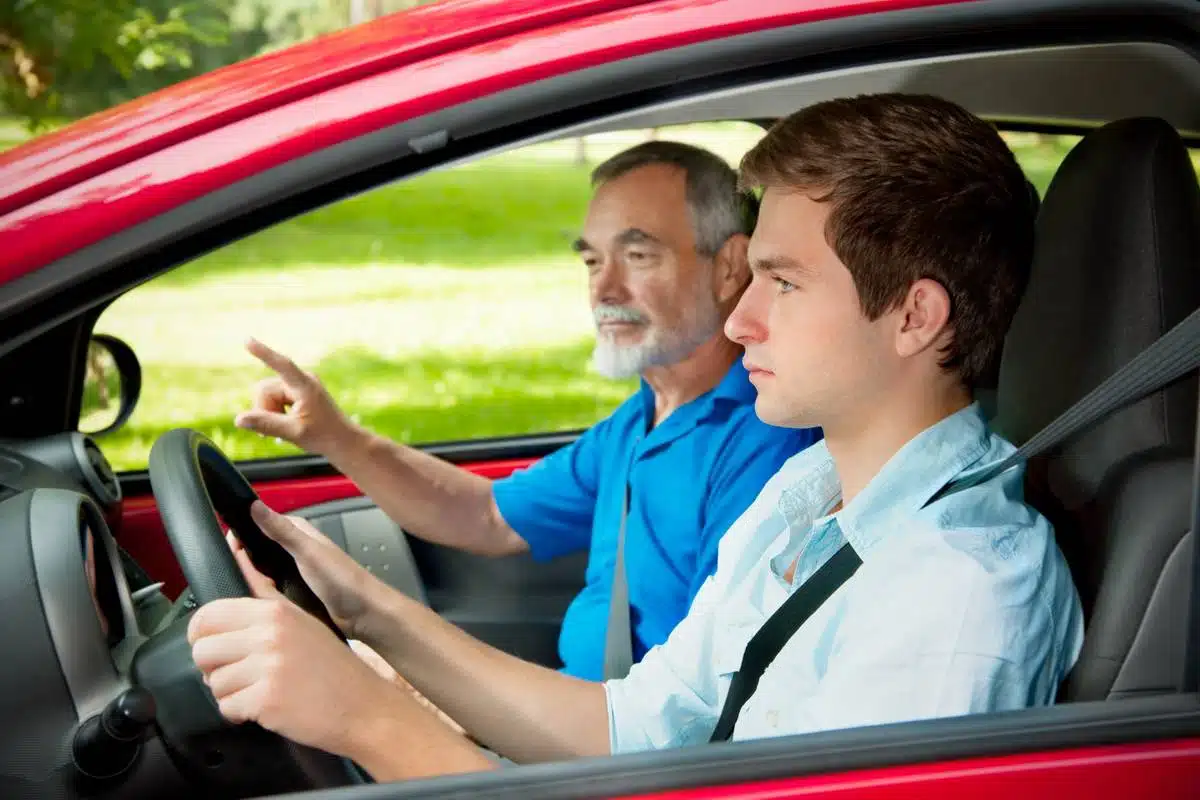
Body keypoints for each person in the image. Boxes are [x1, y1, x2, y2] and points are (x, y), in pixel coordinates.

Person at [189, 93, 1085, 782]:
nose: (742, 321)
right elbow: (636, 726)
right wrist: (363, 609)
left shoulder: (954, 597)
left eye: (784, 281)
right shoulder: (810, 499)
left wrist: (369, 722)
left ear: (914, 316)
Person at [232, 141, 819, 682]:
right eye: (592, 262)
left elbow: (696, 705)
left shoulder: (765, 439)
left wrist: (413, 685)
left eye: (637, 255)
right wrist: (337, 437)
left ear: (728, 267)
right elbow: (488, 516)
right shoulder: (645, 416)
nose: (605, 290)